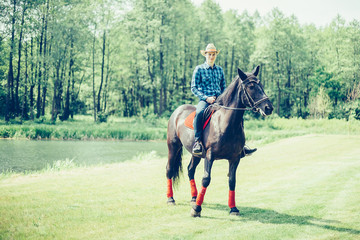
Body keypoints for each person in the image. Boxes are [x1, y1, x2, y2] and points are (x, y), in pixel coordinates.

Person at [190, 43, 256, 156]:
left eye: (213, 54)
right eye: (209, 54)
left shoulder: (219, 70)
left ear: (216, 55)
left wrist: (223, 98)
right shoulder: (199, 69)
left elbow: (223, 87)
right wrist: (206, 98)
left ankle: (241, 146)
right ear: (205, 55)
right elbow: (194, 87)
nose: (211, 56)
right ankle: (198, 142)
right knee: (200, 113)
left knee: (237, 115)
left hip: (220, 100)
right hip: (205, 100)